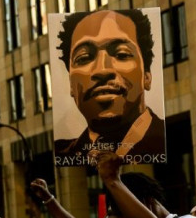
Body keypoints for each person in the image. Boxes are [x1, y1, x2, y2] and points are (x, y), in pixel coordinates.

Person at [54, 10, 165, 166]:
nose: (102, 70)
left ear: (147, 76)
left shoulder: (166, 138)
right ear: (71, 85)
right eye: (84, 58)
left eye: (122, 54)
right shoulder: (64, 152)